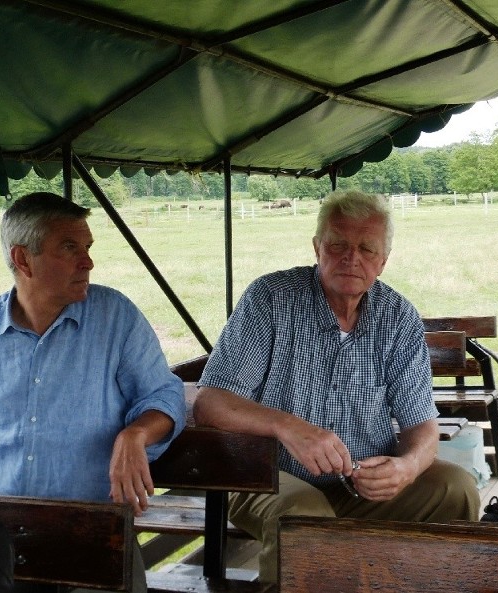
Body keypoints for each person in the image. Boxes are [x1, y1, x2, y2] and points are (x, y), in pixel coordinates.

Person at [0, 192, 186, 592]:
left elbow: (164, 395)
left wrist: (135, 434)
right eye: (69, 248)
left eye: (87, 248)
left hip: (94, 530)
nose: (88, 262)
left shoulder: (115, 317)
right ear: (22, 260)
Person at [193, 190, 480, 583]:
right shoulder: (271, 299)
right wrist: (289, 427)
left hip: (361, 482)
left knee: (456, 488)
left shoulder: (398, 317)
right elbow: (211, 402)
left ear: (383, 260)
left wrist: (407, 467)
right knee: (306, 518)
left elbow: (422, 426)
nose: (351, 258)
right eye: (338, 245)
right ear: (317, 248)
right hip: (266, 474)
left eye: (366, 248)